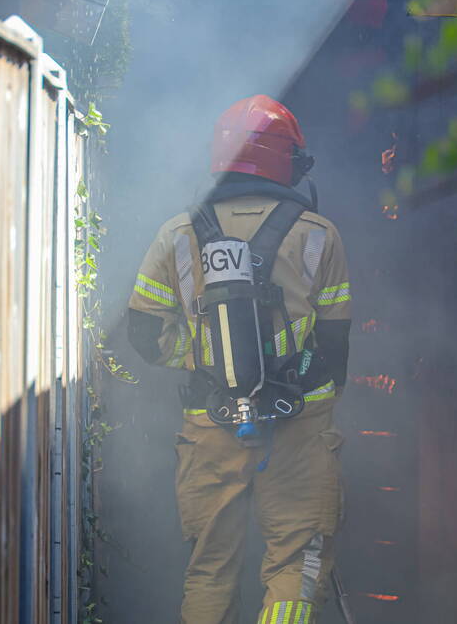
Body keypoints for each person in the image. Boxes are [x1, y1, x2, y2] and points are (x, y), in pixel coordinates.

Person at [126, 94, 352, 624]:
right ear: (285, 159)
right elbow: (334, 347)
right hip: (299, 423)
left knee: (209, 570)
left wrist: (205, 365)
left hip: (211, 421)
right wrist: (297, 395)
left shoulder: (177, 234)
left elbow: (144, 333)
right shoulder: (319, 235)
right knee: (295, 568)